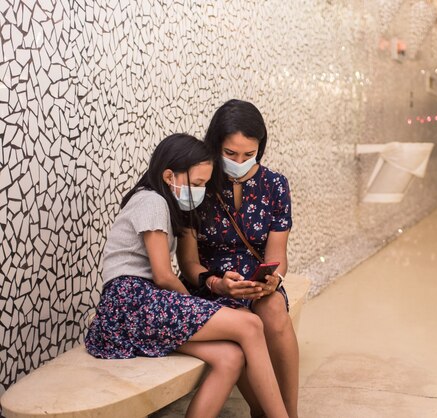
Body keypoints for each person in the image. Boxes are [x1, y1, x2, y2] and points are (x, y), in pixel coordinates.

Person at [85, 134, 288, 418]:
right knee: (250, 325)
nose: (200, 191)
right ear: (169, 175)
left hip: (136, 309)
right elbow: (164, 275)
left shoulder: (162, 204)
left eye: (204, 185)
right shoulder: (152, 201)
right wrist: (199, 308)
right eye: (196, 184)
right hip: (131, 302)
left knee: (231, 357)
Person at [177, 99, 299, 417]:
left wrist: (274, 281)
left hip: (257, 281)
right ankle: (266, 411)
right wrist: (217, 284)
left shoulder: (275, 185)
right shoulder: (199, 182)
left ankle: (289, 412)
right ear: (215, 145)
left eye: (249, 154)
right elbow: (188, 262)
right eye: (231, 154)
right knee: (243, 324)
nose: (240, 161)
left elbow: (277, 255)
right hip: (212, 285)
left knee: (274, 311)